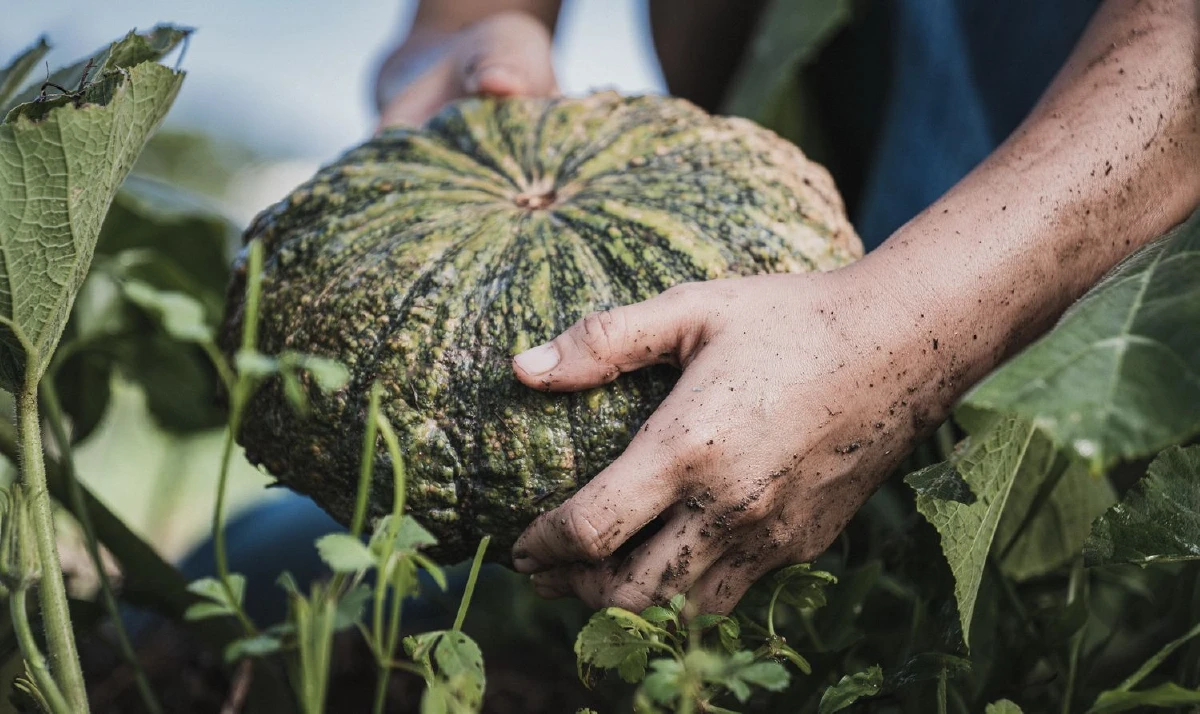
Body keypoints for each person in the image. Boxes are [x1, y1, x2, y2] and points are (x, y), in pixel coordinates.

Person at [367, 0, 1199, 617]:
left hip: (1120, 221)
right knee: (287, 578)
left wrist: (891, 333)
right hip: (777, 299)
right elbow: (456, 26)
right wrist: (468, 40)